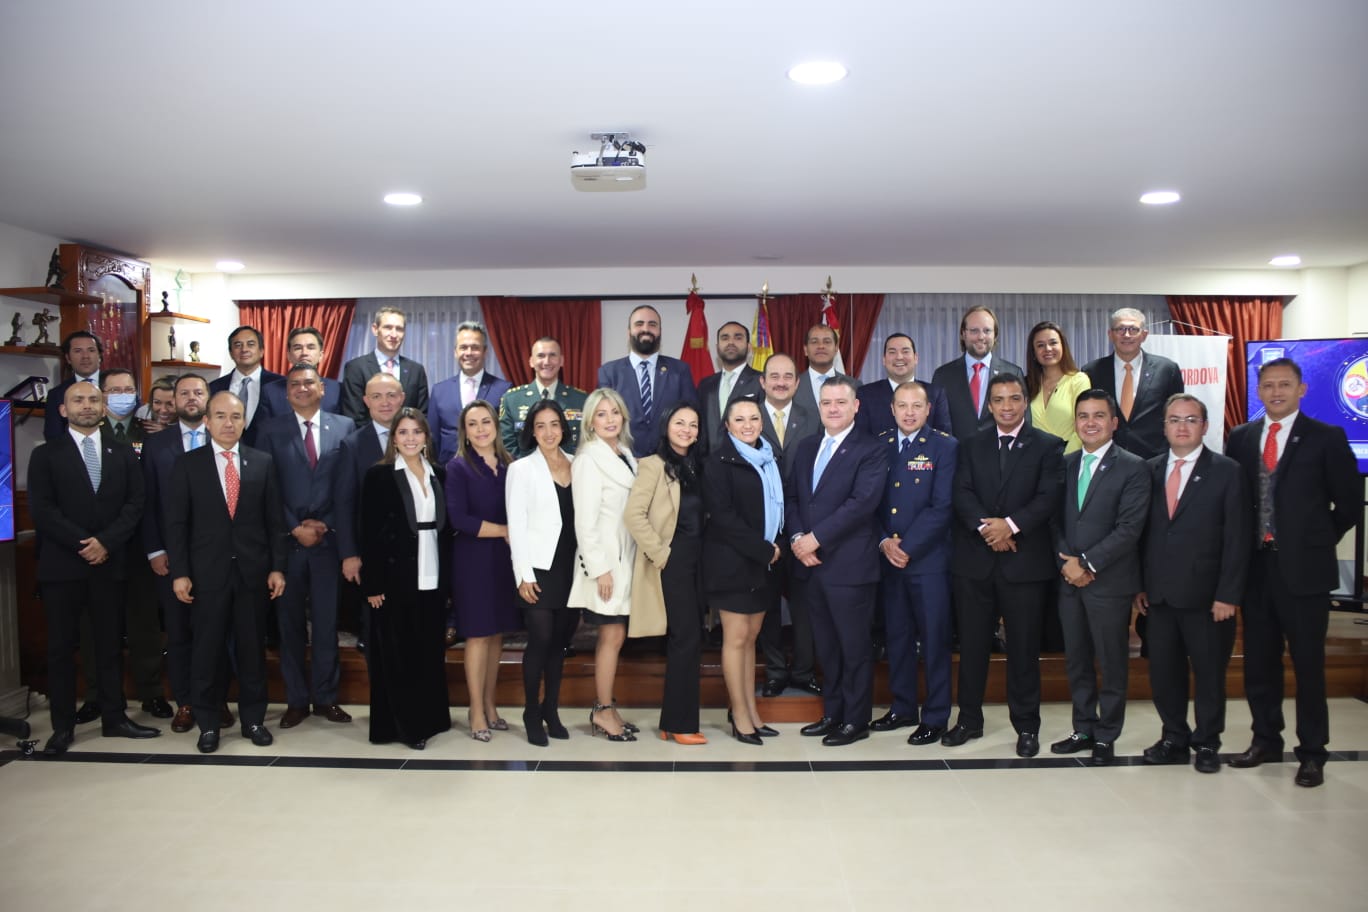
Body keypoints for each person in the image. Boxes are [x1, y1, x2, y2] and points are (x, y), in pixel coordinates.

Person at [1225, 358, 1359, 788]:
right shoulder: (1242, 438)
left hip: (1304, 572)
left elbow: (1350, 506)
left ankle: (1313, 752)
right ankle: (1265, 739)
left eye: (1284, 385)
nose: (1276, 392)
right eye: (1268, 386)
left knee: (1308, 664)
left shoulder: (1327, 438)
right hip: (1257, 570)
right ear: (1258, 391)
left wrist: (1314, 541)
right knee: (1259, 663)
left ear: (1302, 389)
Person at [29, 381, 158, 755]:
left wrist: (106, 543)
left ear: (103, 407)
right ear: (63, 410)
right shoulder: (46, 455)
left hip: (109, 564)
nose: (86, 406)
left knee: (108, 646)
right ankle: (62, 727)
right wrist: (84, 544)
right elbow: (43, 510)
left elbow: (135, 503)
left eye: (93, 400)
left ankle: (115, 718)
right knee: (61, 649)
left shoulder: (123, 454)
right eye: (78, 400)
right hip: (63, 566)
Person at [945, 373, 1064, 756]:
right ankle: (968, 721)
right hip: (974, 563)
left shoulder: (1047, 446)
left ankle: (1027, 726)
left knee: (1024, 650)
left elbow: (1048, 497)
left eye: (1014, 398)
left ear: (1024, 401)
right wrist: (988, 530)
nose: (1007, 406)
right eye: (999, 399)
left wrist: (1010, 526)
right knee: (973, 648)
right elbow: (960, 492)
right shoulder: (970, 445)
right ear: (990, 405)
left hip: (1025, 564)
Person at [165, 391, 287, 754]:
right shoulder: (188, 464)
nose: (228, 423)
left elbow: (274, 523)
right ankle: (208, 724)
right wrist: (181, 572)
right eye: (219, 416)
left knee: (252, 651)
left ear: (244, 421)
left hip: (252, 575)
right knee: (207, 652)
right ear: (207, 421)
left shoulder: (262, 462)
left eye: (235, 416)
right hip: (206, 576)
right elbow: (177, 524)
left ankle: (253, 720)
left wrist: (278, 567)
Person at [1134, 394, 1250, 774]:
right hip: (1159, 596)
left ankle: (1207, 742)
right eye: (1174, 420)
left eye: (1190, 419)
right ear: (1163, 426)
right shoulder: (1148, 471)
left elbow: (1238, 538)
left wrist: (1228, 594)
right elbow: (1141, 534)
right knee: (1164, 673)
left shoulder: (1227, 471)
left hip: (1208, 599)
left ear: (1204, 425)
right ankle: (1174, 737)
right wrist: (1140, 586)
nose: (1181, 426)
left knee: (1209, 674)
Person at [1051, 389, 1150, 766]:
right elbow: (1054, 520)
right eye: (1083, 416)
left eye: (1097, 416)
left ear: (1113, 422)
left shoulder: (1133, 466)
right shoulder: (1066, 463)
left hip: (1107, 582)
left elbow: (1129, 529)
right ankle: (1083, 727)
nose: (1089, 422)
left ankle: (1107, 733)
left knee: (1111, 662)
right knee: (1076, 660)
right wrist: (1066, 563)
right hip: (1068, 580)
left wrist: (1087, 564)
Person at [788, 376, 888, 746]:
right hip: (811, 564)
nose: (833, 408)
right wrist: (799, 539)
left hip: (850, 567)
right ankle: (832, 713)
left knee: (853, 647)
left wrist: (816, 538)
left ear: (855, 406)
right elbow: (795, 498)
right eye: (827, 402)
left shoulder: (871, 449)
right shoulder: (808, 445)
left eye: (840, 402)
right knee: (826, 646)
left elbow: (861, 505)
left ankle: (855, 720)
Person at [258, 364, 354, 729]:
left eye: (308, 382)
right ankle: (297, 700)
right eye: (294, 384)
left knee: (328, 624)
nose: (301, 388)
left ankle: (326, 698)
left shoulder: (344, 427)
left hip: (328, 544)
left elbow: (347, 487)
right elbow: (266, 488)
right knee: (290, 625)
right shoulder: (269, 430)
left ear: (322, 388)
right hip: (288, 544)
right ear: (286, 393)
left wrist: (325, 524)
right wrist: (294, 527)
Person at [141, 374, 234, 733]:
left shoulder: (227, 439)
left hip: (219, 557)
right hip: (173, 556)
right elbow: (147, 502)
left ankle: (217, 699)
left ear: (208, 401)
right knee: (179, 633)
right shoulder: (157, 444)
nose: (191, 398)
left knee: (218, 631)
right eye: (184, 393)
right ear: (172, 400)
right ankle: (187, 702)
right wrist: (155, 550)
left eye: (199, 393)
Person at [360, 408, 453, 749]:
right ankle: (406, 726)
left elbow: (447, 530)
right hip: (395, 579)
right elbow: (368, 532)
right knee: (399, 655)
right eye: (403, 432)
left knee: (429, 650)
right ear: (393, 438)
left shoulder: (439, 474)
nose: (411, 438)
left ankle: (432, 718)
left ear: (426, 437)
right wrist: (373, 584)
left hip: (433, 574)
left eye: (417, 432)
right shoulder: (380, 476)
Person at [871, 382, 957, 745]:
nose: (909, 412)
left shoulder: (945, 446)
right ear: (892, 409)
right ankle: (903, 707)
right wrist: (883, 541)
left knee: (934, 639)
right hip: (889, 560)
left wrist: (907, 546)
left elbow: (942, 506)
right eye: (902, 405)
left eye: (916, 406)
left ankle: (936, 715)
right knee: (898, 637)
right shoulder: (879, 444)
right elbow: (869, 501)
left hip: (928, 561)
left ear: (928, 410)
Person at [704, 396, 785, 745]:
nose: (748, 424)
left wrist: (773, 549)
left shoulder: (769, 457)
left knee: (752, 639)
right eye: (740, 419)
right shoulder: (717, 462)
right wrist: (765, 550)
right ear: (727, 425)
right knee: (736, 639)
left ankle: (751, 710)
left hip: (765, 563)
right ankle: (738, 715)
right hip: (733, 562)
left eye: (754, 417)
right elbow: (724, 518)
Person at [625, 403, 707, 745]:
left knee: (690, 639)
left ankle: (673, 720)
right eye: (679, 423)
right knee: (685, 639)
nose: (686, 429)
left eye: (693, 424)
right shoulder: (652, 465)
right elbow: (633, 515)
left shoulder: (697, 466)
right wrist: (662, 555)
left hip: (698, 563)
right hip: (671, 563)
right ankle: (680, 724)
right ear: (666, 425)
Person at [445, 399, 520, 741]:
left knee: (496, 634)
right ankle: (475, 710)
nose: (480, 429)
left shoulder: (509, 466)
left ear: (496, 426)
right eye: (472, 424)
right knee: (476, 633)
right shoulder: (458, 467)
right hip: (472, 559)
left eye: (485, 422)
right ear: (465, 430)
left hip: (504, 561)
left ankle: (491, 705)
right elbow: (459, 519)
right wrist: (505, 530)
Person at [506, 400, 580, 746]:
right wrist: (523, 574)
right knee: (540, 640)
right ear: (531, 431)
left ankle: (551, 710)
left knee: (560, 645)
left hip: (572, 569)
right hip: (538, 568)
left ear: (563, 428)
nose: (548, 432)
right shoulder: (521, 469)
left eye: (554, 424)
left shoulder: (579, 465)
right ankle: (531, 712)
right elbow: (516, 526)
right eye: (540, 426)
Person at [568, 387, 640, 740]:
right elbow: (584, 521)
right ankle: (602, 710)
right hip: (607, 564)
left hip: (628, 559)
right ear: (590, 422)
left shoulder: (626, 453)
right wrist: (599, 569)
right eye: (601, 414)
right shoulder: (587, 459)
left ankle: (609, 706)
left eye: (615, 412)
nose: (610, 419)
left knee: (618, 635)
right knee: (611, 636)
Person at [754, 352, 821, 697]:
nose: (781, 382)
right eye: (774, 376)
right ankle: (776, 671)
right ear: (763, 381)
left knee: (804, 603)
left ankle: (804, 670)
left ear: (797, 383)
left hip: (802, 528)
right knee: (767, 605)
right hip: (763, 530)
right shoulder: (748, 418)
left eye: (788, 377)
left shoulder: (813, 419)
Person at [336, 372, 407, 650]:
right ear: (366, 401)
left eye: (391, 395)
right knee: (375, 634)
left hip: (410, 553)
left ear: (401, 398)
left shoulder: (418, 438)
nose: (385, 402)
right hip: (371, 554)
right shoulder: (352, 445)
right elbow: (344, 504)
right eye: (376, 396)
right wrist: (349, 554)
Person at [1081, 307, 1184, 461]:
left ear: (1144, 335)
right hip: (1107, 459)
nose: (1127, 335)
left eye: (1133, 329)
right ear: (1110, 334)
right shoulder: (1092, 371)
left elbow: (1177, 415)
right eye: (1120, 329)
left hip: (1154, 459)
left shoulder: (1167, 369)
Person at [596, 305, 697, 457]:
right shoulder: (609, 372)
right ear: (628, 332)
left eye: (652, 324)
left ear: (660, 332)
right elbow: (602, 420)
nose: (646, 329)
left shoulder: (680, 370)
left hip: (669, 462)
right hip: (623, 460)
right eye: (639, 324)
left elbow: (691, 415)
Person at [930, 306, 1025, 442]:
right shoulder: (943, 375)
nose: (981, 337)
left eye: (987, 331)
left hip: (1001, 458)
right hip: (956, 458)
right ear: (963, 334)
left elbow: (1022, 422)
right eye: (974, 331)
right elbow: (935, 425)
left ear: (995, 334)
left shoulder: (1013, 372)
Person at [429, 321, 511, 465]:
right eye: (463, 347)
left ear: (485, 351)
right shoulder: (439, 391)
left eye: (475, 347)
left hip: (491, 473)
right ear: (455, 352)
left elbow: (507, 437)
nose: (468, 353)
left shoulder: (503, 390)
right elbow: (432, 439)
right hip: (448, 474)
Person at [339, 305, 431, 422]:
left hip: (408, 439)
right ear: (375, 329)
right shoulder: (356, 368)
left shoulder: (416, 370)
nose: (393, 335)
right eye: (388, 327)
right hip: (368, 439)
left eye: (399, 329)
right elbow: (354, 417)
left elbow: (421, 416)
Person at [499, 336, 589, 456]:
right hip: (526, 471)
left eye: (552, 355)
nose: (547, 362)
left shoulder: (581, 400)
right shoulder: (511, 400)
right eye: (540, 356)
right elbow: (507, 444)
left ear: (561, 360)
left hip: (570, 470)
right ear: (531, 361)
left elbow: (587, 442)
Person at [855, 333, 952, 438]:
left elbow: (944, 438)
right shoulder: (865, 394)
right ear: (884, 360)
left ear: (916, 358)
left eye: (905, 351)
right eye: (892, 352)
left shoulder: (936, 393)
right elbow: (860, 440)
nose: (899, 357)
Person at [208, 325, 285, 447]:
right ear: (231, 353)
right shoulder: (214, 387)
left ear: (261, 351)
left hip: (270, 460)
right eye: (238, 345)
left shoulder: (280, 386)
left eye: (250, 344)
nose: (244, 349)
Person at [695, 321, 762, 452]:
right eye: (725, 338)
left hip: (747, 464)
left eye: (738, 337)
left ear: (749, 347)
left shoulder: (761, 381)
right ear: (717, 347)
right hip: (708, 465)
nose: (731, 342)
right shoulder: (705, 384)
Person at [1025, 321, 1091, 453]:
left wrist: (1064, 460)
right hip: (1032, 461)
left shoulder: (1078, 380)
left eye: (1053, 343)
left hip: (1068, 459)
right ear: (1034, 352)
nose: (1048, 349)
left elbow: (1083, 426)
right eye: (1040, 345)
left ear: (1063, 346)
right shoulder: (1026, 384)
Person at [261, 326, 344, 414]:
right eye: (298, 348)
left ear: (321, 355)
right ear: (289, 355)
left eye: (311, 347)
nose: (304, 353)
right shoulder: (269, 391)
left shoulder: (337, 389)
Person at [43, 330, 104, 441]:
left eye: (91, 350)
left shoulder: (118, 386)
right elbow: (53, 437)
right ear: (68, 358)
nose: (85, 356)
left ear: (99, 355)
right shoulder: (56, 394)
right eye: (78, 351)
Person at [793, 323, 848, 413]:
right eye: (814, 342)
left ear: (836, 348)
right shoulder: (792, 386)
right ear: (805, 350)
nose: (821, 346)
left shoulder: (854, 386)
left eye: (827, 342)